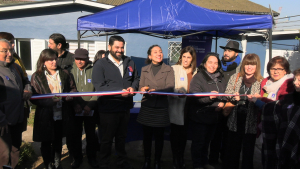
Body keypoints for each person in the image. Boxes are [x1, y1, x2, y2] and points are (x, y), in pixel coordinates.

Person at [92, 35, 139, 169]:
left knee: (121, 138)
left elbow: (136, 78)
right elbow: (99, 86)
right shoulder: (100, 64)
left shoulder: (130, 62)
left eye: (122, 47)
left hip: (124, 108)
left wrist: (133, 87)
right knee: (106, 140)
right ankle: (104, 163)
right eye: (117, 47)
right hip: (108, 109)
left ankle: (122, 161)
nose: (119, 50)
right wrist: (120, 91)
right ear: (109, 47)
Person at [30, 49, 77, 169]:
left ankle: (57, 162)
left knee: (58, 139)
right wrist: (49, 102)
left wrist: (69, 97)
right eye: (50, 59)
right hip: (45, 114)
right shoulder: (37, 76)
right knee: (46, 140)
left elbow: (73, 89)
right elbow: (34, 97)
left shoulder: (65, 73)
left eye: (55, 59)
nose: (53, 62)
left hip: (62, 112)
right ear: (43, 61)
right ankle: (47, 163)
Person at [222, 53, 263, 169]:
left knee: (248, 155)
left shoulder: (261, 81)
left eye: (252, 65)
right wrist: (233, 96)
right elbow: (227, 93)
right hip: (234, 121)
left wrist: (250, 98)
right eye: (247, 64)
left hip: (250, 124)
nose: (249, 67)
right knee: (232, 153)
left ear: (257, 66)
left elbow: (261, 100)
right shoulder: (236, 77)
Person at [137, 44, 175, 169]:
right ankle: (147, 160)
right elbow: (140, 86)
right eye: (155, 52)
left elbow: (170, 87)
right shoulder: (144, 69)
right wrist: (142, 88)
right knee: (146, 137)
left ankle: (157, 161)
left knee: (159, 138)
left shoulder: (169, 69)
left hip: (161, 107)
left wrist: (155, 90)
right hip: (147, 106)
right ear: (150, 56)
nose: (159, 54)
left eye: (160, 51)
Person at [188, 52, 226, 169]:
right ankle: (197, 164)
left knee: (206, 143)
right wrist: (209, 98)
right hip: (200, 116)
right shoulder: (198, 77)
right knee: (198, 143)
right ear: (204, 64)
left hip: (214, 117)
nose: (213, 65)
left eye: (215, 63)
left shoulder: (221, 78)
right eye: (210, 62)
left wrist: (223, 103)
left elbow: (224, 94)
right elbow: (194, 98)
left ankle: (205, 162)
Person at [209, 40, 243, 164]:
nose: (226, 53)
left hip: (232, 107)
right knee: (215, 136)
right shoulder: (218, 66)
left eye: (230, 50)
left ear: (236, 54)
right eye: (225, 50)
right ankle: (212, 160)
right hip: (217, 106)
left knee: (229, 138)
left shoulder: (241, 69)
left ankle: (225, 160)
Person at [0, 39, 32, 168]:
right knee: (3, 155)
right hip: (3, 123)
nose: (9, 54)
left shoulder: (16, 67)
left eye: (11, 50)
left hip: (17, 118)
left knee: (15, 150)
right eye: (5, 51)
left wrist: (27, 89)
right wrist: (1, 119)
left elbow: (26, 81)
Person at [260, 68, 300, 169]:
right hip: (286, 139)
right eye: (295, 79)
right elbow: (275, 109)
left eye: (299, 80)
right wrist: (260, 102)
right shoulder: (288, 98)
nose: (295, 83)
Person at [168, 46, 198, 169]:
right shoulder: (173, 69)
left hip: (190, 109)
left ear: (192, 59)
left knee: (184, 136)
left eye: (188, 57)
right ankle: (175, 158)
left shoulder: (196, 72)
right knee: (175, 136)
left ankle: (181, 158)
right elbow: (168, 86)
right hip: (177, 108)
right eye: (184, 57)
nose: (186, 60)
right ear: (180, 58)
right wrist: (176, 91)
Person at [69, 48, 99, 168]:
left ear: (87, 59)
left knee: (91, 135)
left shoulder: (95, 70)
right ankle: (77, 158)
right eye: (77, 59)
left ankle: (92, 158)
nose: (79, 61)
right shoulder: (69, 71)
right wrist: (75, 105)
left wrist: (89, 105)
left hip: (90, 109)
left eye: (82, 59)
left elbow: (98, 90)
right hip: (75, 109)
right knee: (75, 135)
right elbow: (67, 90)